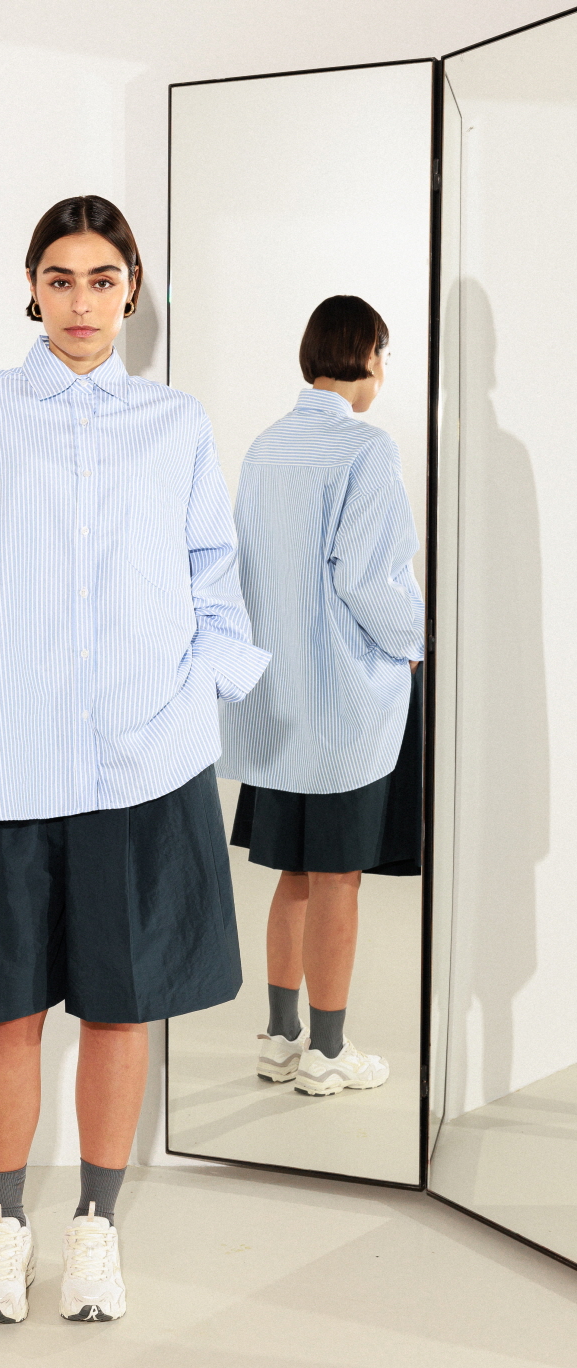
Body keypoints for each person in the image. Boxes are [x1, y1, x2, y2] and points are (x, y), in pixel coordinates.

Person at [0, 196, 269, 1324]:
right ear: (32, 287)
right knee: (4, 1010)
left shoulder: (175, 423)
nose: (82, 302)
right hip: (4, 762)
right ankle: (3, 1229)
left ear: (132, 288)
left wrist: (195, 696)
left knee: (121, 1006)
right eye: (60, 279)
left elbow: (215, 579)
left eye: (103, 279)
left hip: (140, 764)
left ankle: (95, 1230)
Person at [219, 295, 425, 1098]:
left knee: (294, 875)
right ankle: (329, 1054)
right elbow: (369, 577)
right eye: (383, 356)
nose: (382, 374)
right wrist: (414, 639)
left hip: (276, 705)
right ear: (366, 355)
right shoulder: (366, 448)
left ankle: (279, 1039)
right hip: (343, 704)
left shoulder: (266, 446)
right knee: (339, 876)